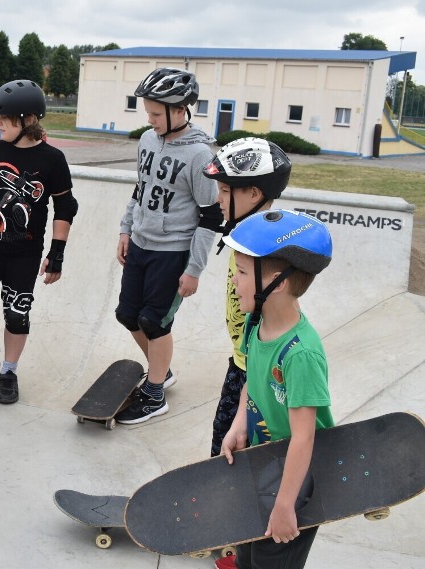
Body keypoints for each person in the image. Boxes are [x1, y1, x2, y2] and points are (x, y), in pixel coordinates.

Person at [220, 209, 334, 569]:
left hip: (297, 485)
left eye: (240, 273)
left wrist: (286, 506)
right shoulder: (258, 325)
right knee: (247, 555)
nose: (234, 283)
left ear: (278, 283)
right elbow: (252, 382)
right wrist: (239, 423)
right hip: (264, 464)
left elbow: (304, 438)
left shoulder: (300, 354)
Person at [0, 79, 77, 404]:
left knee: (16, 315)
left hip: (25, 254)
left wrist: (57, 253)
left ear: (28, 120)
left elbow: (65, 207)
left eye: (4, 119)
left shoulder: (52, 159)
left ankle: (8, 370)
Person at [114, 67, 223, 424]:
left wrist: (194, 270)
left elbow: (210, 217)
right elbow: (140, 189)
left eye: (156, 114)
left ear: (181, 110)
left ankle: (155, 393)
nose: (150, 120)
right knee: (128, 315)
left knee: (155, 321)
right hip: (141, 243)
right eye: (147, 113)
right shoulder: (147, 141)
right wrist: (125, 229)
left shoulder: (200, 156)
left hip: (173, 251)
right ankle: (162, 371)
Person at [202, 138, 293, 456]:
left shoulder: (265, 250)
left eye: (225, 191)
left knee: (247, 454)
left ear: (254, 194)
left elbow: (280, 320)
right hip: (240, 363)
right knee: (221, 448)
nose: (218, 199)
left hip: (260, 373)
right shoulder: (243, 235)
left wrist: (257, 386)